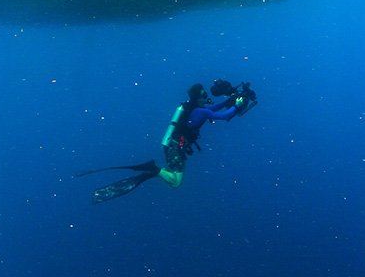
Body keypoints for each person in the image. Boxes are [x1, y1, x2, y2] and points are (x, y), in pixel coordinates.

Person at [76, 79, 257, 203]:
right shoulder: (201, 111)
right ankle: (153, 169)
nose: (206, 96)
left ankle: (154, 171)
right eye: (203, 94)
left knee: (173, 178)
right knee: (176, 183)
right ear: (198, 97)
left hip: (172, 144)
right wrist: (237, 105)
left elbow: (215, 108)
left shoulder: (194, 107)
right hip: (175, 147)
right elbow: (223, 116)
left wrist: (232, 101)